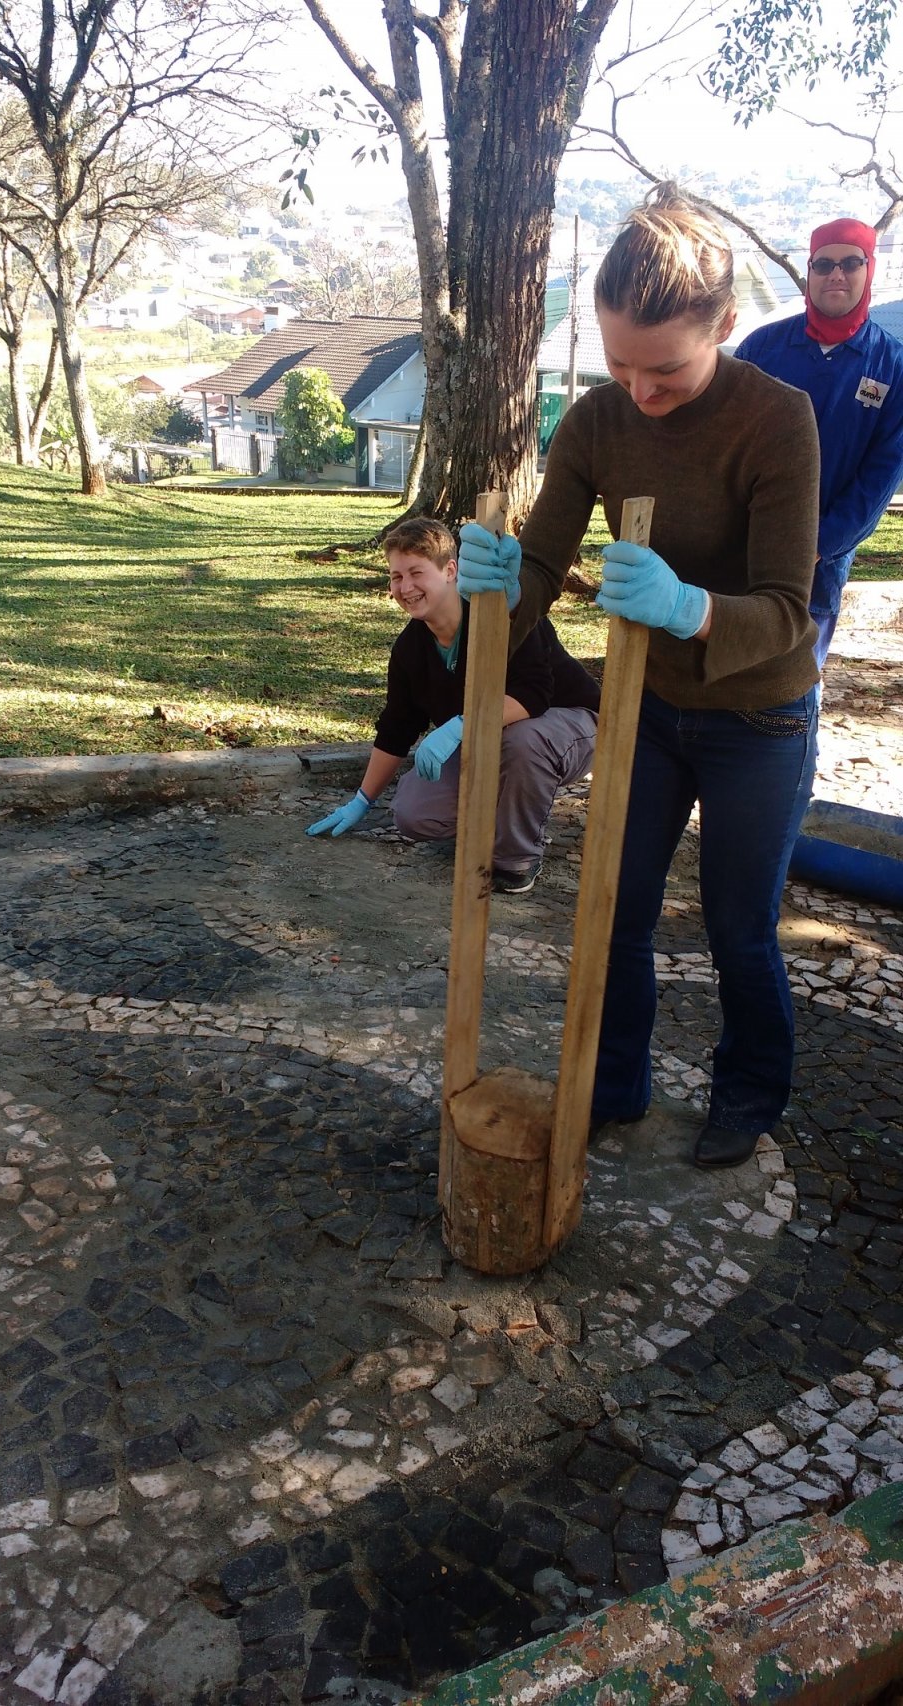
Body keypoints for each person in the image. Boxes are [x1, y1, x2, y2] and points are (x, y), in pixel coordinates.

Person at [457, 186, 821, 1169]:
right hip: (650, 708)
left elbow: (792, 611)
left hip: (762, 714)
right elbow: (538, 568)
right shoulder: (596, 422)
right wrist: (493, 590)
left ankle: (747, 1093)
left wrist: (688, 604)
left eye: (664, 368)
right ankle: (614, 1082)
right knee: (613, 906)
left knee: (740, 925)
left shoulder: (778, 419)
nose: (639, 389)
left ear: (724, 328)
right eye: (619, 361)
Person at [306, 517, 599, 894]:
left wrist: (462, 724)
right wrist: (362, 801)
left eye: (416, 572)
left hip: (570, 724)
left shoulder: (505, 613)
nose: (405, 587)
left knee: (524, 741)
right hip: (489, 738)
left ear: (450, 570)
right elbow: (397, 726)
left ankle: (516, 859)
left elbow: (535, 695)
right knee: (414, 814)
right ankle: (506, 809)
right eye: (396, 577)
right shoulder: (410, 648)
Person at [736, 217, 903, 667]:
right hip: (737, 553)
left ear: (869, 271)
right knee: (724, 678)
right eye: (824, 263)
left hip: (818, 571)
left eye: (851, 262)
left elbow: (879, 479)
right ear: (808, 271)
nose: (836, 274)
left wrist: (816, 545)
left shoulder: (893, 368)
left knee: (794, 689)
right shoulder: (760, 350)